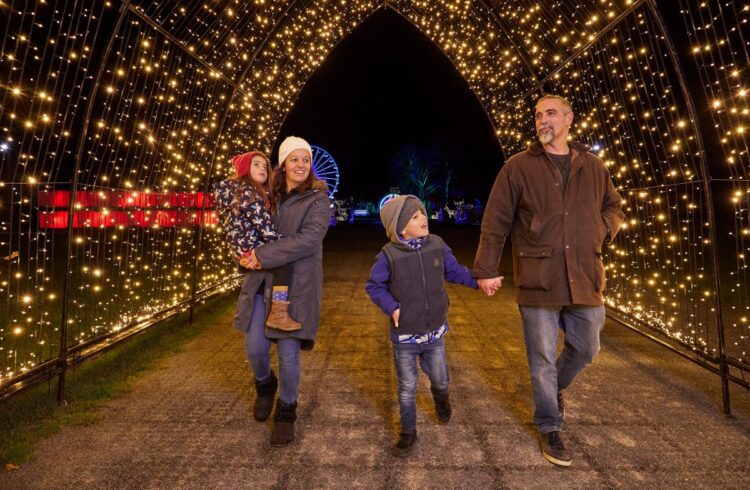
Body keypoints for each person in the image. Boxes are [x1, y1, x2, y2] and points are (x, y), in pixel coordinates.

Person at [473, 94, 624, 467]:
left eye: (551, 114)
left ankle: (554, 388)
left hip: (585, 275)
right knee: (540, 359)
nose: (543, 121)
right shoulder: (518, 167)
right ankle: (549, 425)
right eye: (538, 115)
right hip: (538, 276)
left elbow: (614, 205)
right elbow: (496, 221)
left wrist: (602, 229)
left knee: (587, 347)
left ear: (569, 119)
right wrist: (486, 269)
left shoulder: (592, 165)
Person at [365, 195, 479, 457]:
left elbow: (455, 271)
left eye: (422, 213)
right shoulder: (388, 256)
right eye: (415, 217)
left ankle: (441, 398)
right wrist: (392, 307)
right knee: (406, 387)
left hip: (434, 333)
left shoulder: (437, 244)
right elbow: (373, 286)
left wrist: (478, 281)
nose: (423, 218)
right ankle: (408, 431)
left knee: (439, 378)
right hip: (404, 337)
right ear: (400, 228)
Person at [242, 136, 330, 446]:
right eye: (294, 159)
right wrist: (243, 249)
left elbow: (308, 240)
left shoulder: (318, 199)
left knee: (289, 355)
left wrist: (264, 254)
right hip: (262, 284)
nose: (301, 165)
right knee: (255, 347)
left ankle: (287, 410)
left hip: (295, 286)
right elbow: (246, 224)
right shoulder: (267, 196)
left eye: (305, 159)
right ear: (282, 163)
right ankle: (265, 385)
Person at [213, 151, 302, 332]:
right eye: (256, 164)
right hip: (252, 248)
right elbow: (263, 225)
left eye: (264, 166)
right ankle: (278, 315)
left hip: (241, 249)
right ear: (245, 168)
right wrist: (282, 244)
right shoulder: (249, 192)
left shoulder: (234, 192)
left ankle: (250, 317)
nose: (262, 168)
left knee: (259, 280)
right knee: (284, 265)